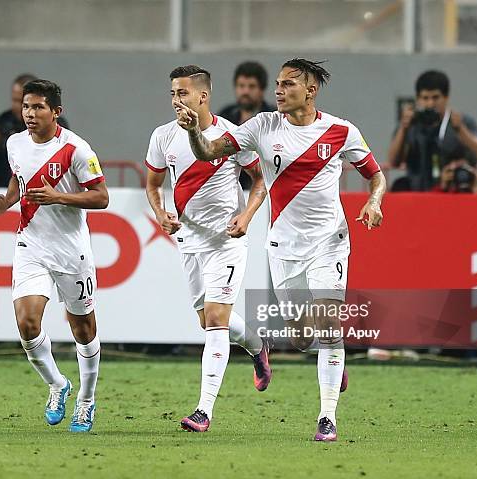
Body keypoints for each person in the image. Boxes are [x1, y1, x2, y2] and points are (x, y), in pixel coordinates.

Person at [174, 58, 387, 442]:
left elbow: (376, 175)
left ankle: (327, 417)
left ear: (310, 91)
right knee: (302, 338)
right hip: (284, 246)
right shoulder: (262, 126)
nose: (278, 90)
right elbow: (208, 151)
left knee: (328, 325)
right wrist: (193, 132)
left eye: (288, 84)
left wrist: (374, 201)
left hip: (330, 242)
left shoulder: (341, 131)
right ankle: (328, 360)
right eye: (277, 83)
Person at [145, 65, 271, 433]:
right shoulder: (162, 136)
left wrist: (247, 215)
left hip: (226, 242)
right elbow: (153, 185)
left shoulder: (230, 135)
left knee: (215, 320)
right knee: (208, 319)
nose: (176, 100)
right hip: (189, 241)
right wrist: (160, 214)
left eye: (183, 93)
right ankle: (258, 346)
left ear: (202, 97)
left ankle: (204, 410)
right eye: (172, 93)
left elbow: (260, 178)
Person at [0, 79, 108, 433]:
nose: (30, 114)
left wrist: (59, 197)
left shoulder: (77, 150)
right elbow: (17, 182)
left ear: (56, 112)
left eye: (38, 107)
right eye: (26, 107)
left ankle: (86, 400)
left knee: (83, 328)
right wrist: (4, 202)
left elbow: (101, 198)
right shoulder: (14, 144)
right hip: (31, 245)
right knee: (26, 323)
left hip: (71, 250)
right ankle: (58, 385)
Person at [388, 70, 477, 191]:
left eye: (435, 97)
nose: (430, 103)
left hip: (451, 192)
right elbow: (393, 161)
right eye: (425, 98)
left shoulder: (461, 121)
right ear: (418, 99)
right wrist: (403, 129)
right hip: (417, 192)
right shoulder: (411, 124)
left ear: (446, 97)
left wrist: (461, 130)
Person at [0, 73, 70, 187]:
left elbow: (65, 159)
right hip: (4, 189)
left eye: (21, 101)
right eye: (14, 100)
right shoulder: (4, 120)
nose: (16, 106)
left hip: (41, 191)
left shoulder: (54, 122)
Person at [219, 61, 276, 189]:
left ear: (262, 89)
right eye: (241, 86)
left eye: (251, 86)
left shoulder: (273, 118)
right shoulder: (226, 115)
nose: (245, 91)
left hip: (266, 187)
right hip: (231, 187)